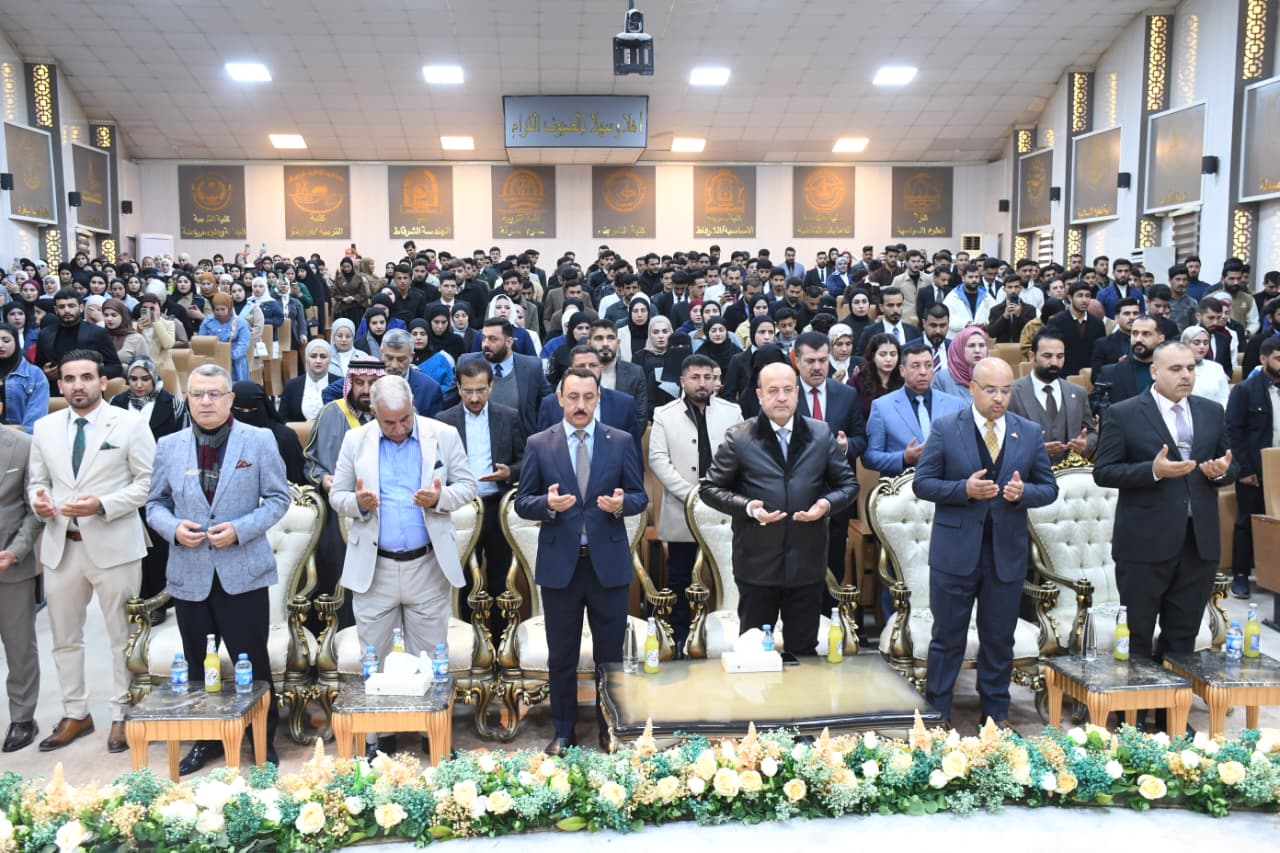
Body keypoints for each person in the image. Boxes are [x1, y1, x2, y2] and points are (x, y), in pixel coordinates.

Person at [146, 364, 290, 773]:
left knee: (252, 662)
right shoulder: (169, 445)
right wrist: (173, 529)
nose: (206, 401)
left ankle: (261, 740)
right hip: (190, 573)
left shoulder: (258, 440)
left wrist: (240, 529)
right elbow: (154, 504)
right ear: (187, 400)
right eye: (198, 394)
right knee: (197, 665)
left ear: (230, 400)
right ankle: (206, 739)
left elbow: (279, 499)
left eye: (214, 394)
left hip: (242, 572)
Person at [331, 374, 477, 758]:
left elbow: (468, 486)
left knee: (430, 655)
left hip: (426, 564)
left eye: (404, 420)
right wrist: (358, 503)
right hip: (374, 566)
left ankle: (432, 734)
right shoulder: (355, 441)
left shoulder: (443, 435)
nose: (398, 429)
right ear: (373, 412)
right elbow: (337, 495)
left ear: (413, 406)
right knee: (374, 656)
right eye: (388, 422)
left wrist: (439, 499)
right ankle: (379, 738)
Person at [912, 358, 1058, 725]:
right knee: (947, 639)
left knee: (999, 638)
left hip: (1006, 554)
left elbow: (1049, 488)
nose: (999, 398)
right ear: (972, 388)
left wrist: (1024, 493)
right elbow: (922, 483)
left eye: (1006, 390)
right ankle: (937, 714)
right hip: (955, 554)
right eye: (990, 390)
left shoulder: (1028, 431)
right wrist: (964, 489)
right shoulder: (947, 428)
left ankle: (995, 715)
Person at [1093, 342, 1235, 712]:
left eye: (1190, 368)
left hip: (1198, 541)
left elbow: (1229, 463)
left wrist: (1221, 472)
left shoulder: (1211, 411)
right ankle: (1136, 712)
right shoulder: (1124, 413)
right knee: (1138, 634)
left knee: (1183, 636)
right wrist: (1153, 471)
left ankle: (1172, 713)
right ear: (1155, 371)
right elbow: (1104, 471)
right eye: (1176, 369)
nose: (1186, 375)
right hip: (1144, 541)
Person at [28, 350, 155, 754]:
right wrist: (39, 502)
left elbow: (148, 483)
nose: (77, 385)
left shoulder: (129, 424)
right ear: (60, 385)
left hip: (114, 543)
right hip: (61, 545)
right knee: (65, 638)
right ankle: (75, 712)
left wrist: (102, 504)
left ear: (103, 382)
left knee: (122, 637)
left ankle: (122, 714)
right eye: (69, 379)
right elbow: (36, 482)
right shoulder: (44, 427)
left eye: (86, 377)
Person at [515, 368, 647, 755]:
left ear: (598, 399)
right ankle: (563, 732)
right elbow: (523, 502)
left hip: (607, 566)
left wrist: (622, 504)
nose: (580, 405)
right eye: (573, 397)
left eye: (588, 397)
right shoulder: (540, 443)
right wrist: (547, 504)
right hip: (561, 567)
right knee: (562, 656)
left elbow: (640, 497)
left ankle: (611, 727)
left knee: (611, 656)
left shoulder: (620, 441)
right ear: (560, 399)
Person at [700, 362, 858, 656]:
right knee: (754, 656)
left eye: (787, 390)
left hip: (807, 563)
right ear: (759, 395)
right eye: (773, 391)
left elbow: (848, 485)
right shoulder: (740, 437)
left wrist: (825, 505)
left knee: (804, 656)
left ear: (798, 393)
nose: (781, 397)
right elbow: (709, 488)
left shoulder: (820, 433)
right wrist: (748, 507)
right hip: (757, 565)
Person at [649, 353, 743, 652]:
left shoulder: (732, 412)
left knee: (727, 575)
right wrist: (691, 496)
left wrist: (720, 494)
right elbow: (658, 460)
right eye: (695, 377)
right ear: (682, 381)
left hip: (724, 512)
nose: (702, 383)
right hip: (682, 510)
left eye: (708, 377)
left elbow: (742, 456)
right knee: (680, 576)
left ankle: (725, 634)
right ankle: (679, 637)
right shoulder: (664, 414)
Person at [434, 358, 525, 634]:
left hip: (496, 506)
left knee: (500, 577)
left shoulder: (508, 416)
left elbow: (525, 460)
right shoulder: (443, 421)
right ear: (458, 388)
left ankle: (499, 640)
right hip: (459, 510)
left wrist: (509, 472)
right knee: (460, 576)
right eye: (468, 391)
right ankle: (465, 638)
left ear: (491, 387)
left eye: (481, 390)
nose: (474, 398)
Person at [110, 356, 187, 616]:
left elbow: (183, 441)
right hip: (124, 480)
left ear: (154, 378)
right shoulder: (117, 403)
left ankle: (158, 601)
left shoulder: (172, 403)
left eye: (145, 379)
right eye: (133, 379)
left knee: (157, 544)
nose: (139, 384)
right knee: (128, 544)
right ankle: (132, 599)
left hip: (161, 480)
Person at [1225, 336, 1280, 600]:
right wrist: (1244, 469)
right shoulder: (1245, 390)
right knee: (1247, 521)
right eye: (1278, 358)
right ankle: (1241, 575)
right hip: (1254, 469)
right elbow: (1233, 432)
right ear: (1263, 359)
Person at [0, 412, 42, 752]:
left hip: (10, 564)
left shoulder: (23, 446)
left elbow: (34, 509)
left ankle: (23, 717)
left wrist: (16, 551)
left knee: (19, 646)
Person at [864, 342, 967, 477]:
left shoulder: (954, 405)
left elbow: (967, 450)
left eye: (928, 365)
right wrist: (903, 458)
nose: (923, 372)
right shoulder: (882, 406)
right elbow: (870, 457)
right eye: (916, 366)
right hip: (903, 483)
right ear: (902, 370)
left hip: (946, 483)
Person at [451, 319, 551, 437]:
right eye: (484, 338)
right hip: (478, 438)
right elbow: (449, 402)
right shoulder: (466, 362)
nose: (486, 344)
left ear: (509, 342)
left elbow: (547, 405)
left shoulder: (532, 366)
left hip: (520, 440)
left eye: (493, 339)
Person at [1008, 330, 1096, 465]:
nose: (1054, 362)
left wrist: (1085, 444)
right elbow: (1003, 438)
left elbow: (1091, 433)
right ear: (1032, 356)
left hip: (1070, 472)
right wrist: (1034, 450)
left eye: (1060, 356)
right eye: (1047, 356)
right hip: (1027, 473)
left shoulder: (1078, 393)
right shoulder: (1012, 392)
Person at [537, 346, 643, 451]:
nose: (587, 370)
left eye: (593, 365)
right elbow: (542, 449)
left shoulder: (624, 404)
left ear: (601, 368)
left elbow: (633, 452)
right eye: (581, 366)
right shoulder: (550, 404)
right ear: (570, 370)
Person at [36, 288, 123, 386]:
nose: (66, 310)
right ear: (56, 310)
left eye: (71, 306)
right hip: (54, 390)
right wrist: (44, 374)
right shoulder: (45, 334)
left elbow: (115, 367)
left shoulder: (98, 333)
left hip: (88, 389)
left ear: (81, 308)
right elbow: (37, 367)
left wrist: (89, 374)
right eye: (62, 307)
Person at [231, 381, 307, 485]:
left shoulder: (285, 437)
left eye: (253, 410)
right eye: (239, 410)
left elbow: (297, 479)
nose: (246, 415)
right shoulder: (224, 437)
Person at [588, 320, 649, 424]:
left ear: (618, 342)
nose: (605, 344)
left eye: (610, 338)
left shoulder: (635, 373)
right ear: (589, 343)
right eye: (599, 338)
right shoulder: (577, 374)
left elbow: (641, 416)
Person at [1096, 315, 1165, 406]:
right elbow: (1097, 405)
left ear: (1160, 339)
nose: (1138, 339)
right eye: (1135, 333)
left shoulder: (1171, 372)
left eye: (1146, 334)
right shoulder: (1110, 373)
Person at [1044, 281, 1106, 376]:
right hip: (1062, 374)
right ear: (1070, 298)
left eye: (1087, 296)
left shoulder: (1097, 324)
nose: (1084, 300)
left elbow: (1100, 353)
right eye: (1080, 296)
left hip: (1090, 375)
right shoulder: (1056, 322)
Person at [0, 323, 48, 432]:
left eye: (6, 341)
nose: (0, 345)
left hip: (21, 437)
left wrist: (21, 437)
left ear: (16, 342)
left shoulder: (34, 374)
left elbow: (36, 415)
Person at [281, 339, 341, 422]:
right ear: (306, 358)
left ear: (329, 359)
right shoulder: (292, 385)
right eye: (313, 356)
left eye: (323, 356)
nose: (318, 361)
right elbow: (282, 419)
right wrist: (302, 426)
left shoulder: (340, 383)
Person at [198, 293, 251, 382]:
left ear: (229, 308)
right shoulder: (207, 322)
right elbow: (201, 342)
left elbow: (243, 344)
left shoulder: (240, 323)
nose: (219, 312)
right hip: (212, 362)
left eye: (223, 309)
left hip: (235, 363)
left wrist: (228, 356)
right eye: (217, 309)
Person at [932, 326, 989, 405]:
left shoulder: (995, 375)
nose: (977, 350)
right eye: (971, 345)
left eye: (982, 345)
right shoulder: (942, 379)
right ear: (960, 349)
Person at [853, 333, 904, 419]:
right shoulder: (857, 382)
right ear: (873, 356)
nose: (888, 359)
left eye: (893, 354)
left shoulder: (905, 381)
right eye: (882, 354)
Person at [1179, 325, 1231, 409]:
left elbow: (1225, 398)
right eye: (1197, 343)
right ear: (1185, 344)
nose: (1202, 346)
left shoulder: (1216, 368)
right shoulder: (1176, 368)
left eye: (1206, 343)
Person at [102, 297, 149, 364]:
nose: (109, 319)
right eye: (106, 315)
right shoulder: (100, 336)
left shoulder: (137, 339)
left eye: (114, 315)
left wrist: (122, 367)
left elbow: (144, 365)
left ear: (123, 316)